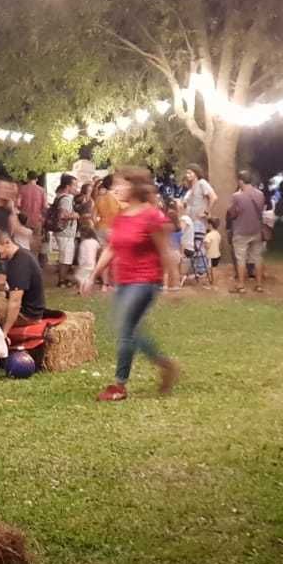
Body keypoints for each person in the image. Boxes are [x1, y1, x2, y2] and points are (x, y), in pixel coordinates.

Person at [85, 167, 180, 401]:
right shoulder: (121, 216)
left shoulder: (152, 215)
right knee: (127, 330)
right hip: (124, 281)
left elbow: (165, 252)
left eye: (121, 184)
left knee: (124, 327)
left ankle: (120, 385)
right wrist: (93, 274)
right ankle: (164, 365)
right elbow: (112, 247)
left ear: (136, 187)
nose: (115, 189)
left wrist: (174, 285)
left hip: (146, 280)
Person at [0, 228, 46, 337]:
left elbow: (15, 303)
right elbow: (8, 287)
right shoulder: (18, 256)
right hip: (28, 310)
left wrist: (4, 333)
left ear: (7, 242)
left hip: (27, 315)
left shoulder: (20, 263)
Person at [226, 170, 269, 294]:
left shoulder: (237, 196)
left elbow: (232, 213)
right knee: (258, 258)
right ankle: (259, 285)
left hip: (241, 231)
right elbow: (260, 210)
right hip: (256, 230)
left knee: (241, 259)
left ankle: (241, 285)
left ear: (240, 181)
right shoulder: (260, 194)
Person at [181, 166, 216, 287]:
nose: (188, 174)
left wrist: (206, 212)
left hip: (198, 221)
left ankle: (201, 272)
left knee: (198, 246)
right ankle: (195, 271)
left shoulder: (202, 183)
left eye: (190, 172)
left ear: (196, 173)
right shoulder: (191, 188)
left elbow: (213, 197)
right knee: (192, 247)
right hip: (190, 222)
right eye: (187, 172)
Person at [48, 174, 80, 286]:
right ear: (68, 186)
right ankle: (62, 280)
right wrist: (74, 215)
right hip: (65, 232)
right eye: (75, 185)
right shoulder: (66, 199)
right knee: (65, 257)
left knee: (65, 256)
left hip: (64, 232)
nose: (76, 187)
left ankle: (63, 278)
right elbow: (62, 215)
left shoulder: (61, 197)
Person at [74, 222, 100, 294]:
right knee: (87, 277)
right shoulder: (95, 242)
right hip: (92, 263)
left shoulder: (83, 243)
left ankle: (81, 290)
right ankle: (86, 289)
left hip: (84, 263)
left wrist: (80, 263)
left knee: (80, 277)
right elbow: (98, 251)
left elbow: (81, 254)